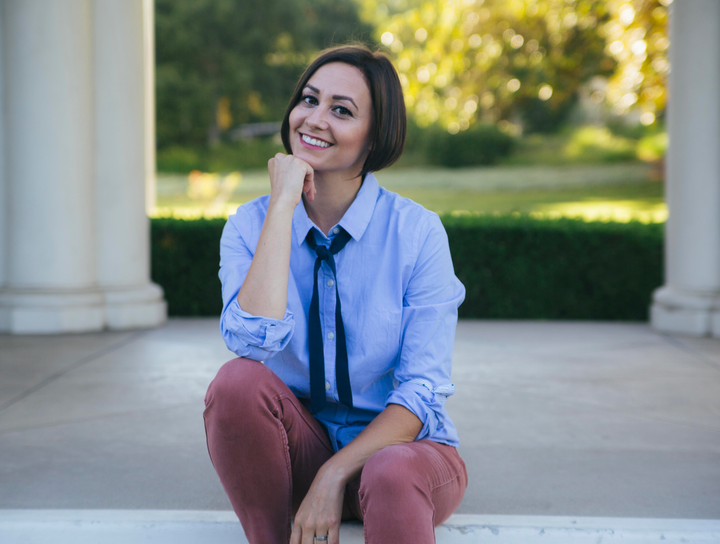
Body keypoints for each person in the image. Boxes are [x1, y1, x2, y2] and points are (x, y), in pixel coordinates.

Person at [203, 44, 467, 544]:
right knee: (237, 383)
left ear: (375, 136)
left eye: (341, 110)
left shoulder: (416, 233)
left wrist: (333, 474)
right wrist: (283, 205)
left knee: (390, 470)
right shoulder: (248, 225)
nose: (315, 119)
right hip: (299, 446)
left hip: (404, 456)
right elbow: (251, 344)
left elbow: (422, 390)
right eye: (309, 99)